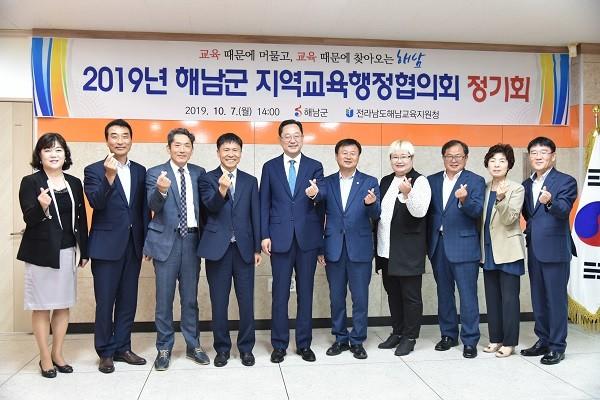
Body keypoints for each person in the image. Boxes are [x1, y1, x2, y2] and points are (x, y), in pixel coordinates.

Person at [18, 132, 88, 378]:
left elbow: (81, 218)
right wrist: (41, 206)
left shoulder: (74, 182)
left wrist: (84, 250)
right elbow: (29, 218)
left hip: (68, 251)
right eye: (48, 150)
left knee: (62, 305)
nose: (54, 154)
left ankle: (58, 353)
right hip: (41, 253)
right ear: (40, 155)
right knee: (41, 307)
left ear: (65, 155)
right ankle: (44, 357)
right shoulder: (30, 181)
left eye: (59, 150)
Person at [84, 119, 149, 373]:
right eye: (114, 136)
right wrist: (109, 177)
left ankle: (123, 347)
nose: (120, 141)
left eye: (124, 136)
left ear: (131, 140)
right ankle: (105, 352)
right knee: (105, 302)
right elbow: (96, 202)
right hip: (105, 247)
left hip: (133, 246)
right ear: (107, 140)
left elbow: (143, 211)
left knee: (127, 301)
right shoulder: (93, 170)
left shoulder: (140, 170)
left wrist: (146, 243)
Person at [260, 119, 324, 363]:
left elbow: (321, 202)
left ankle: (304, 344)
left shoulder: (315, 166)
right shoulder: (270, 167)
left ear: (303, 138)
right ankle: (279, 344)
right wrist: (264, 235)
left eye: (296, 135)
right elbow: (264, 203)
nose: (292, 139)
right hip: (279, 238)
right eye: (287, 136)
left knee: (305, 293)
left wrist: (316, 194)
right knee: (280, 293)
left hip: (307, 239)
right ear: (280, 140)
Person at [143, 128, 208, 371]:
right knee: (164, 299)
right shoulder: (155, 173)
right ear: (168, 147)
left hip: (192, 240)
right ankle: (164, 347)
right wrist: (161, 190)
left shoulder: (199, 173)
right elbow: (152, 205)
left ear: (192, 149)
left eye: (186, 145)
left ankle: (193, 345)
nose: (182, 149)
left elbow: (206, 207)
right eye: (177, 145)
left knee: (190, 299)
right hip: (165, 244)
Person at [197, 133, 261, 367]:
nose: (231, 154)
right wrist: (222, 190)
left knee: (246, 302)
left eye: (235, 150)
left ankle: (246, 348)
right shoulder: (207, 179)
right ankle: (222, 349)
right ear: (218, 153)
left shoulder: (250, 180)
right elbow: (210, 207)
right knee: (219, 302)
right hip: (217, 250)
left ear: (241, 153)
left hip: (244, 249)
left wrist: (256, 248)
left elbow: (255, 215)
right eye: (226, 150)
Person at [319, 139, 380, 360]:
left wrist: (371, 204)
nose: (348, 156)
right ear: (336, 156)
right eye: (344, 152)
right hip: (333, 247)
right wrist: (320, 248)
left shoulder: (369, 181)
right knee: (336, 297)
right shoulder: (326, 182)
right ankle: (340, 338)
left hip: (360, 248)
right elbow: (318, 216)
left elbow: (376, 215)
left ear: (358, 157)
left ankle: (358, 340)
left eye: (353, 153)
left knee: (360, 298)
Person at [520, 136, 577, 365]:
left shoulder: (566, 181)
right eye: (534, 152)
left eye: (543, 152)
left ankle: (557, 346)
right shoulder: (526, 185)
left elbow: (563, 210)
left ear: (553, 156)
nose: (538, 156)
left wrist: (550, 202)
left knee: (555, 299)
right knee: (538, 298)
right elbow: (528, 215)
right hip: (534, 248)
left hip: (555, 249)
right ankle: (543, 340)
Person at [427, 139, 485, 358]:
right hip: (438, 245)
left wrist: (464, 200)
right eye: (449, 156)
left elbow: (476, 211)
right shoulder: (431, 180)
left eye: (458, 156)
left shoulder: (475, 180)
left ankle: (470, 340)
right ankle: (448, 335)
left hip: (464, 246)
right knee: (444, 293)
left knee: (468, 295)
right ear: (443, 158)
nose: (453, 160)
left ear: (466, 158)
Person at [375, 140, 431, 356]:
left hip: (408, 250)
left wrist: (408, 194)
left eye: (404, 156)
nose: (399, 161)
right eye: (395, 157)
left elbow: (420, 212)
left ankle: (410, 336)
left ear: (411, 158)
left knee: (410, 296)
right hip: (385, 249)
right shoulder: (386, 181)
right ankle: (397, 332)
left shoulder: (420, 181)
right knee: (393, 293)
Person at [480, 144, 525, 358]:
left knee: (509, 299)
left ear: (509, 165)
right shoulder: (483, 187)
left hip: (508, 250)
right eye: (493, 160)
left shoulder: (516, 188)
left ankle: (509, 342)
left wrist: (500, 199)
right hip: (488, 250)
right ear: (487, 163)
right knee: (492, 298)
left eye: (502, 161)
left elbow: (509, 219)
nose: (497, 165)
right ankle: (495, 339)